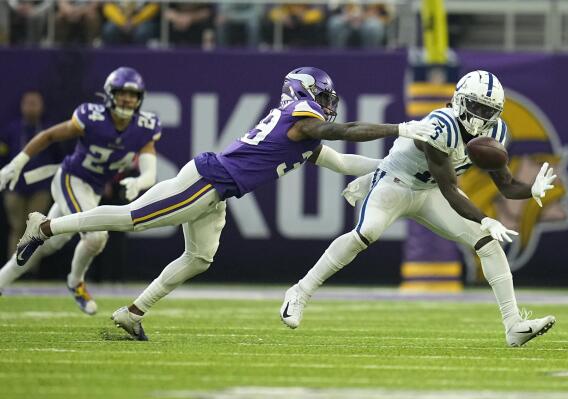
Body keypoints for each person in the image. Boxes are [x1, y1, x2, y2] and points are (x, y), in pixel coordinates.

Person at [14, 66, 436, 340]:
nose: (328, 105)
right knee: (132, 218)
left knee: (199, 258)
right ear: (305, 95)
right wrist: (400, 127)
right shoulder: (302, 120)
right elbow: (346, 132)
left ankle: (133, 312)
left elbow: (342, 160)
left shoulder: (304, 134)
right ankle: (46, 226)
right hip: (207, 181)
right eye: (323, 97)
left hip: (220, 191)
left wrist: (388, 166)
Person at [279, 70, 557, 348]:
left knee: (487, 243)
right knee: (366, 233)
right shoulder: (441, 125)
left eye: (489, 110)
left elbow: (506, 185)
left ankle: (513, 325)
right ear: (459, 101)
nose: (481, 116)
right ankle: (300, 291)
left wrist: (530, 190)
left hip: (429, 191)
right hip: (396, 183)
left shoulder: (497, 132)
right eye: (476, 106)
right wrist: (485, 218)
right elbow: (450, 189)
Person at [0, 67, 160, 315]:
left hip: (91, 191)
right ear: (110, 94)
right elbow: (49, 135)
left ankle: (2, 279)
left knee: (47, 244)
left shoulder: (145, 127)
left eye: (133, 94)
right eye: (122, 93)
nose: (128, 99)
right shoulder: (92, 117)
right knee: (96, 237)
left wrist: (138, 183)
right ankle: (76, 283)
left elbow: (150, 172)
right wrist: (17, 163)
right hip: (70, 179)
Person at [1, 91, 63, 257]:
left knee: (35, 229)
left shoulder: (49, 130)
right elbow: (3, 156)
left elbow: (59, 158)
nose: (31, 107)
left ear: (42, 106)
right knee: (17, 226)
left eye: (35, 103)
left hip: (41, 188)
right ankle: (12, 269)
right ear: (21, 106)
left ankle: (29, 270)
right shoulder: (12, 130)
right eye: (28, 103)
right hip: (14, 187)